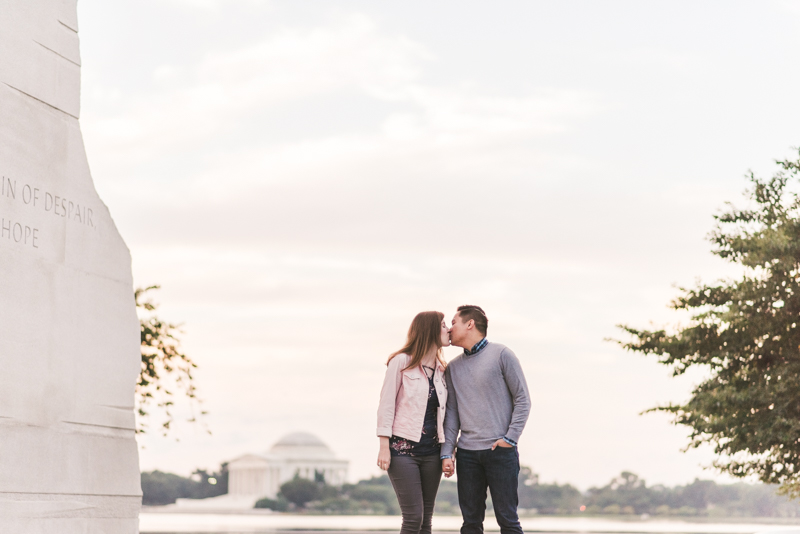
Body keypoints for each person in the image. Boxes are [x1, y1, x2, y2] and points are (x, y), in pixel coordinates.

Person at [441, 305, 531, 534]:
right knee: (470, 524)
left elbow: (523, 400)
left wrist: (510, 439)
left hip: (500, 452)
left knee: (508, 521)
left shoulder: (502, 354)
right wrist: (447, 452)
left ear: (470, 324)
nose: (449, 329)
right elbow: (452, 413)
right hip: (467, 455)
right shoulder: (452, 368)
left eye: (453, 322)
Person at [376, 311, 450, 534]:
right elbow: (386, 404)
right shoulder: (401, 362)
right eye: (444, 325)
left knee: (426, 520)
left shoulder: (442, 370)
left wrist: (448, 453)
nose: (449, 330)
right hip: (402, 451)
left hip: (432, 453)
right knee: (413, 518)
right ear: (429, 330)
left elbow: (446, 415)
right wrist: (383, 446)